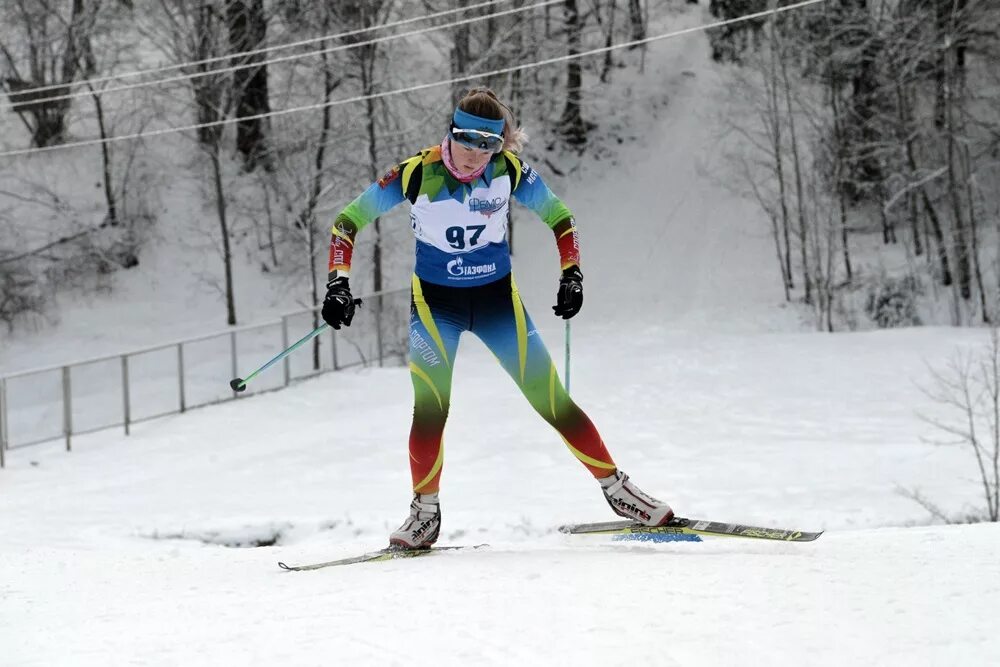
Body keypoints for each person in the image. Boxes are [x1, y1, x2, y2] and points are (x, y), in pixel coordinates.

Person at [322, 87, 673, 549]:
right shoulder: (415, 173)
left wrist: (572, 276)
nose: (475, 156)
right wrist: (337, 284)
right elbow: (347, 222)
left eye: (488, 146)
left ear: (500, 144)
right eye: (467, 142)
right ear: (451, 133)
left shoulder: (509, 171)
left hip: (496, 303)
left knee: (552, 400)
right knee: (430, 410)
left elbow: (560, 217)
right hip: (436, 308)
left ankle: (619, 490)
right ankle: (424, 512)